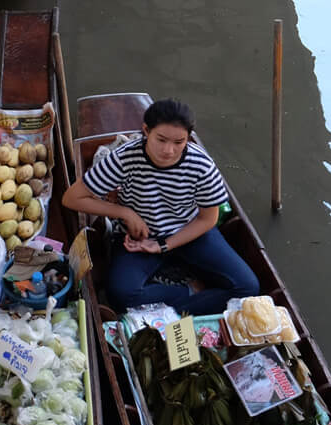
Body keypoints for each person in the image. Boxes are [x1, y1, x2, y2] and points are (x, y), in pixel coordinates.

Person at [62, 98, 259, 316]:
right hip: (137, 236)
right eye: (161, 140)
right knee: (120, 295)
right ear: (146, 131)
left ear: (188, 138)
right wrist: (125, 213)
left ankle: (162, 314)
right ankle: (190, 292)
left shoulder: (201, 165)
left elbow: (207, 219)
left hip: (189, 232)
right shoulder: (125, 158)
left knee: (248, 287)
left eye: (179, 142)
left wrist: (163, 245)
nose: (169, 151)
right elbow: (72, 198)